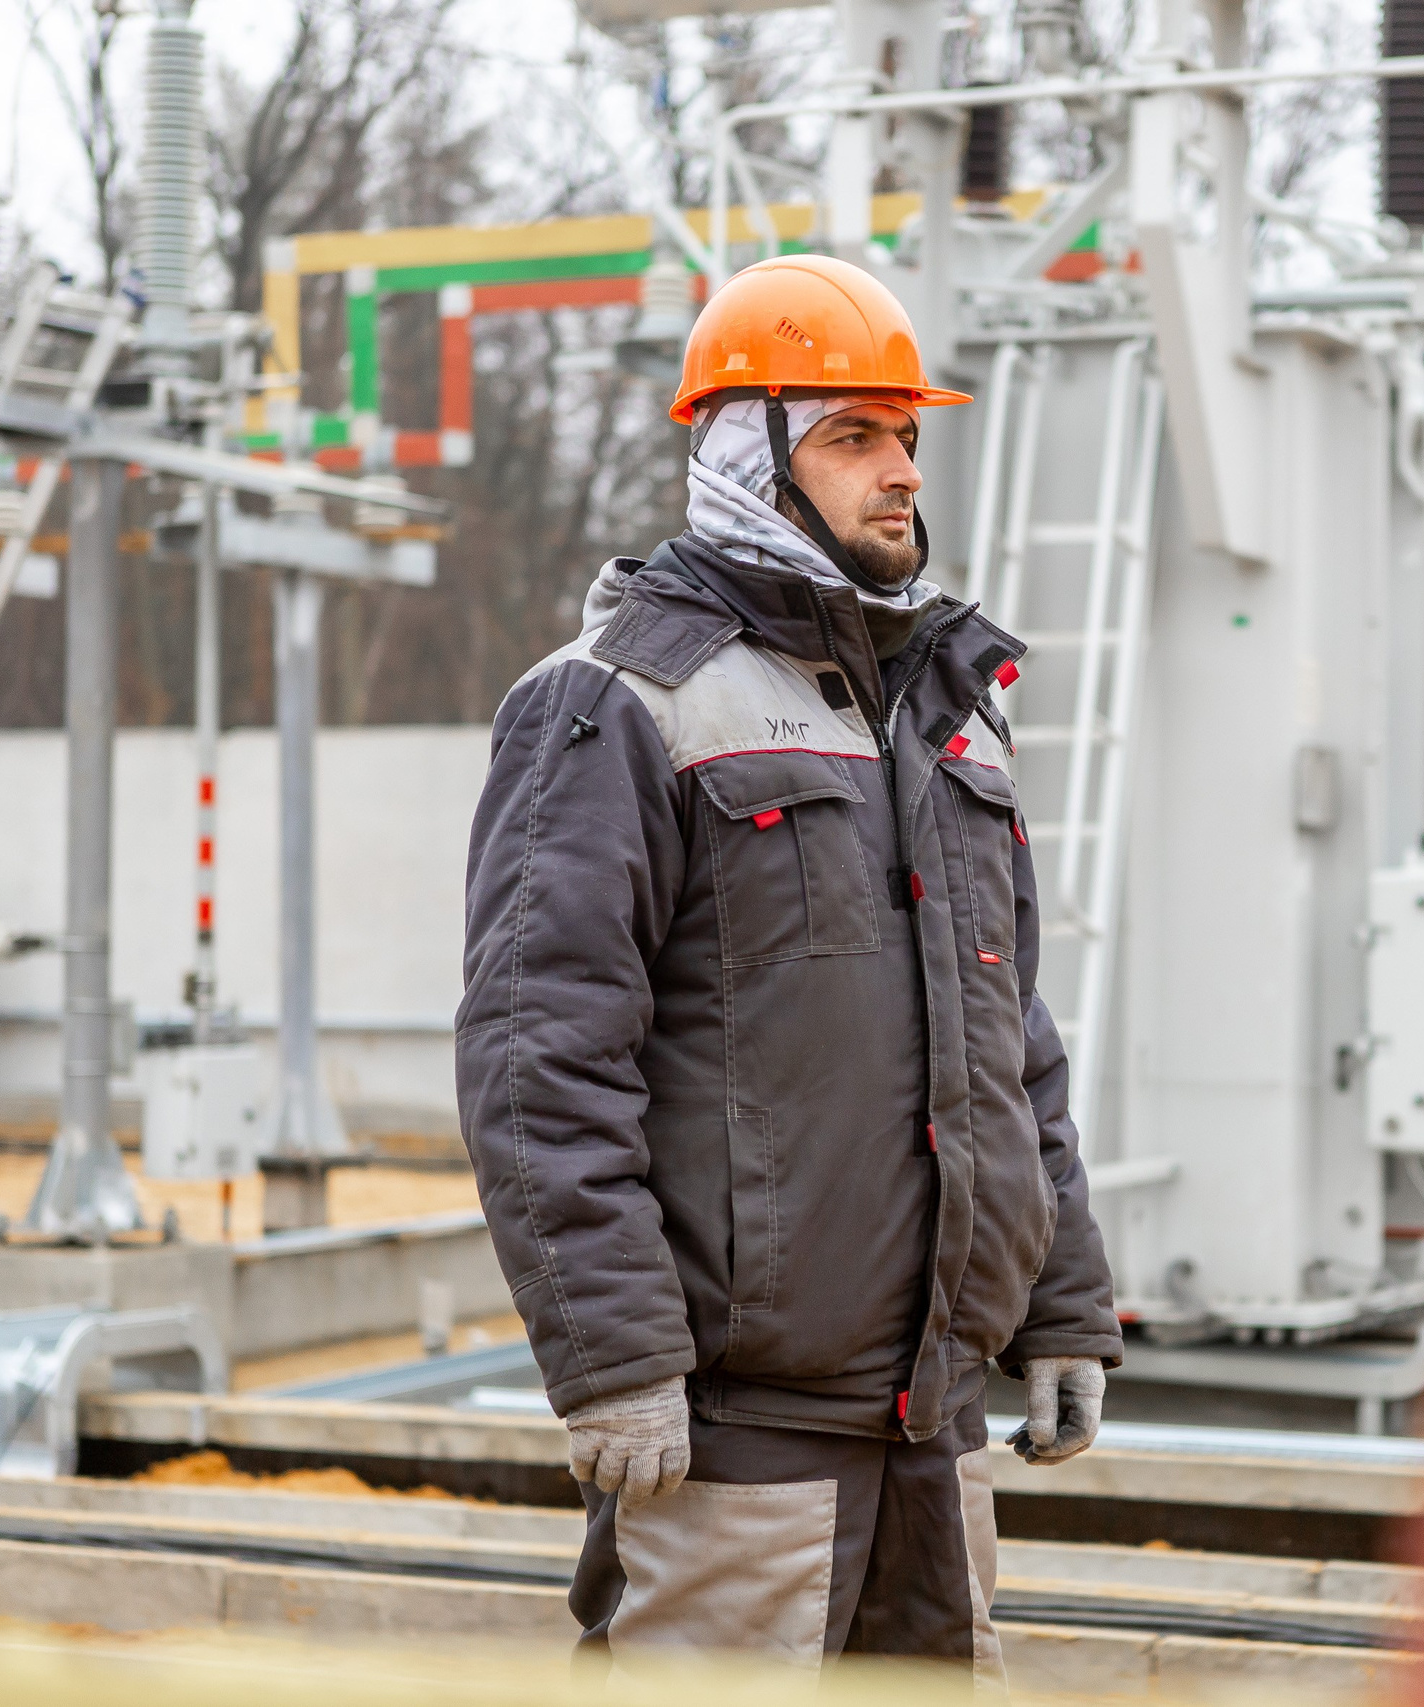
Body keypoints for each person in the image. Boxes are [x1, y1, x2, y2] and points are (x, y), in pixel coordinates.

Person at [456, 254, 1120, 1683]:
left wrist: (1063, 1295)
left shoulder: (949, 716)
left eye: (907, 437)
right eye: (852, 436)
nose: (899, 473)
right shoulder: (618, 702)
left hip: (934, 1438)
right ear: (746, 456)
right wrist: (613, 1355)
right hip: (737, 1455)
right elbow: (538, 1054)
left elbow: (1013, 1040)